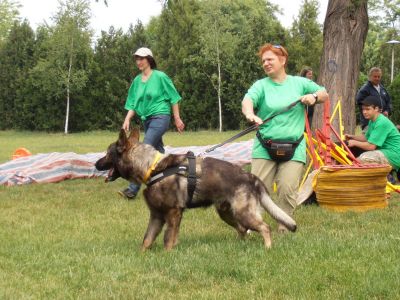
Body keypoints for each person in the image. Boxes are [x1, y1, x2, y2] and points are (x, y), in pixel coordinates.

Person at [242, 43, 328, 232]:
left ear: (282, 60)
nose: (265, 63)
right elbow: (247, 100)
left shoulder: (299, 83)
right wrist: (250, 114)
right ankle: (250, 224)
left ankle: (284, 226)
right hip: (265, 146)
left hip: (294, 146)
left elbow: (324, 93)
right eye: (263, 60)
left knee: (288, 189)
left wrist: (313, 96)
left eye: (270, 59)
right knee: (256, 188)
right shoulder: (261, 85)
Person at [119, 47, 185, 199]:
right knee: (159, 153)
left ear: (149, 59)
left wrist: (177, 118)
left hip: (161, 117)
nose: (138, 61)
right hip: (147, 120)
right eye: (137, 58)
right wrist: (127, 118)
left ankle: (132, 190)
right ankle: (176, 178)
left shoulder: (160, 77)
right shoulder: (137, 81)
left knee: (142, 150)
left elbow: (174, 98)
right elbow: (133, 103)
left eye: (141, 58)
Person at [345, 95, 400, 176]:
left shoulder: (381, 122)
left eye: (367, 109)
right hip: (384, 152)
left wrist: (354, 142)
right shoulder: (373, 120)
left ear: (376, 109)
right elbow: (366, 138)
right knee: (357, 156)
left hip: (393, 155)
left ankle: (386, 178)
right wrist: (352, 137)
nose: (364, 112)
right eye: (363, 109)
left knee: (363, 159)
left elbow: (371, 146)